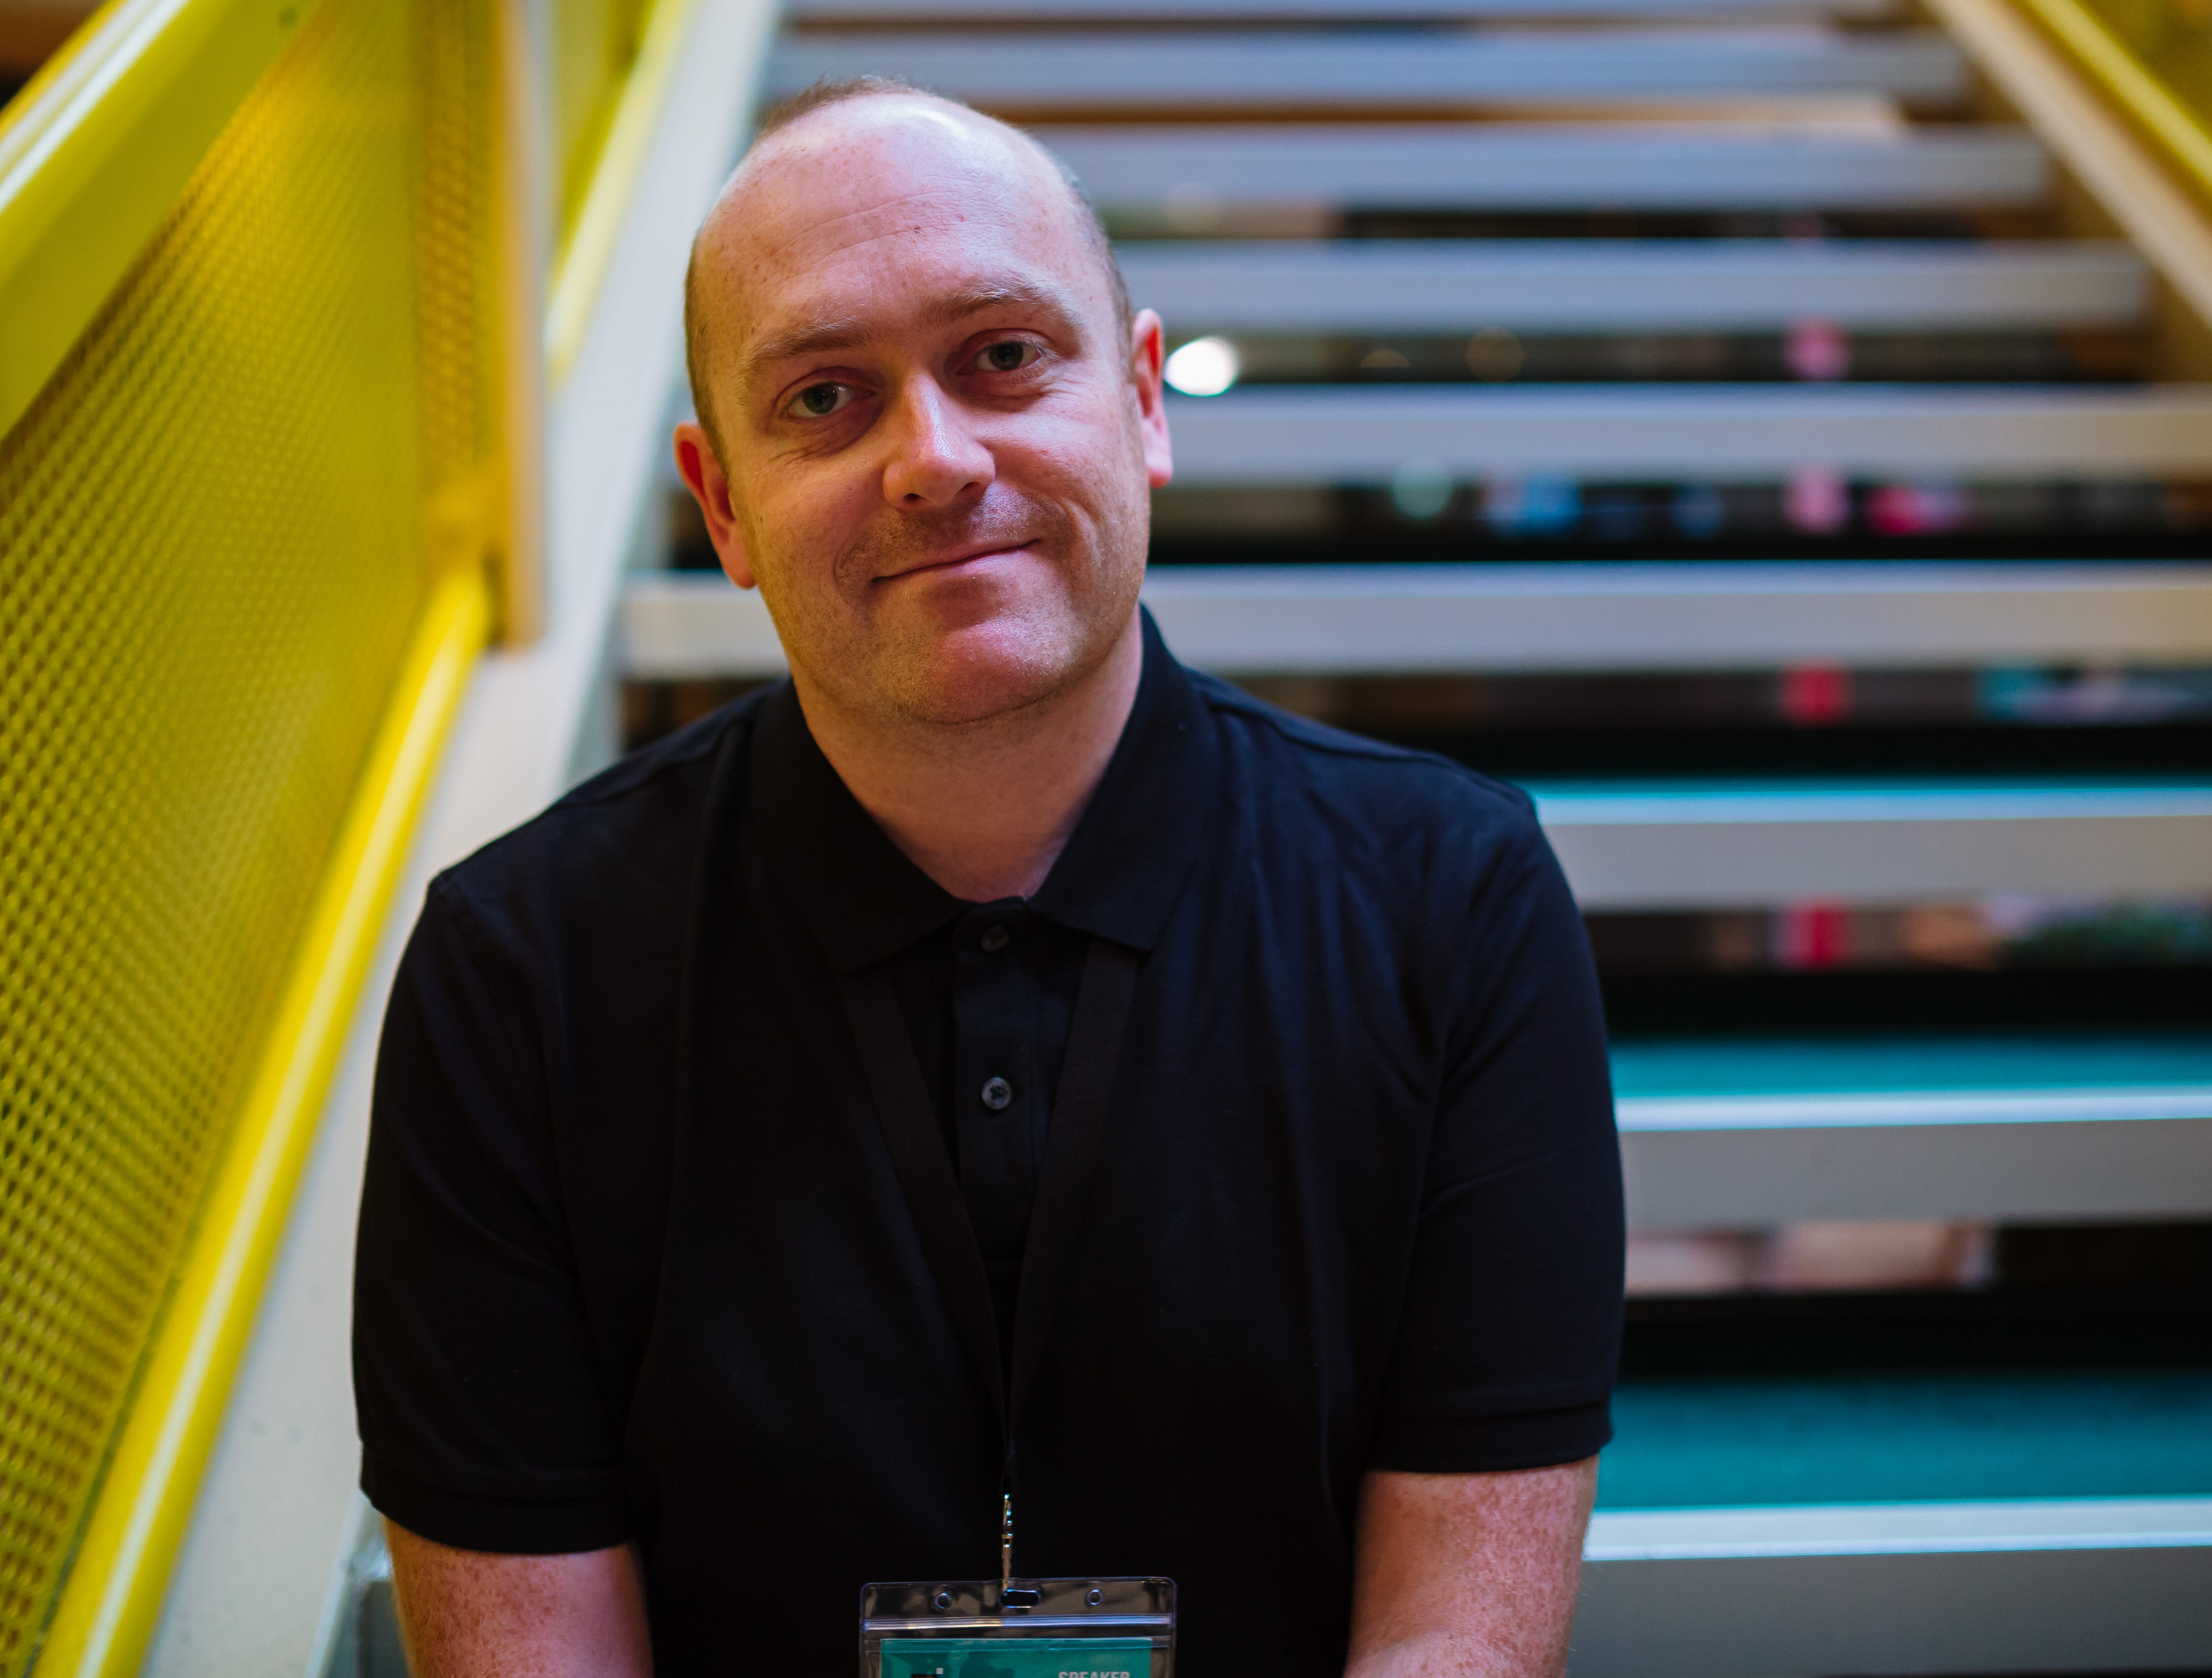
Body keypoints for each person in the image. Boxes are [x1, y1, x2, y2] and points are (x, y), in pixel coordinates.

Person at [352, 77, 1625, 1677]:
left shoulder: (1458, 900)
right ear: (724, 507)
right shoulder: (512, 971)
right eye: (824, 398)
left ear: (1144, 405)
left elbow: (1461, 1644)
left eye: (1004, 356)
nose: (933, 461)